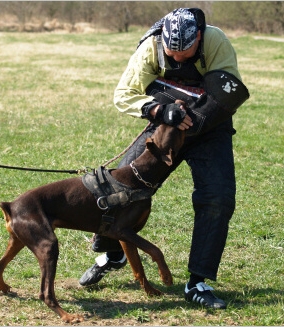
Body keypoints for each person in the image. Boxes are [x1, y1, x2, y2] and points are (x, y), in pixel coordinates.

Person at [79, 8, 249, 309]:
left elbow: (229, 91)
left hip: (211, 129)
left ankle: (198, 282)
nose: (179, 59)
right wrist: (157, 110)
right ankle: (113, 252)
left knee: (218, 197)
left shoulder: (215, 40)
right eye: (173, 53)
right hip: (167, 126)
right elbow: (124, 93)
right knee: (121, 190)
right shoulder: (151, 46)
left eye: (187, 52)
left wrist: (196, 120)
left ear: (199, 36)